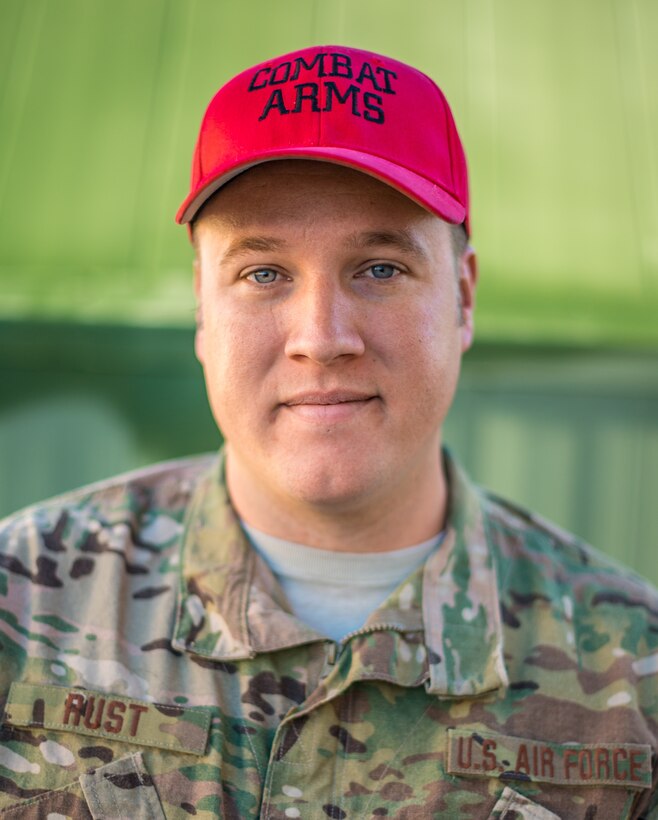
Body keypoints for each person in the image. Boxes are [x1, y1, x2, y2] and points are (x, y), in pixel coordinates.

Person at [0, 44, 656, 820]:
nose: (321, 338)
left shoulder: (633, 675)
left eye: (379, 268)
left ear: (464, 297)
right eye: (263, 273)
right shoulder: (19, 603)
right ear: (203, 307)